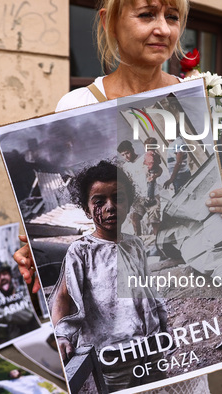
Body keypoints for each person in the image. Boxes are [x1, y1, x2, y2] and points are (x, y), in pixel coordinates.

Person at [14, 1, 222, 392]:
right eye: (147, 14)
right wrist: (28, 250)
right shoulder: (75, 106)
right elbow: (66, 295)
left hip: (166, 362)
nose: (164, 30)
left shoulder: (196, 100)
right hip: (111, 365)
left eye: (172, 17)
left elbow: (214, 188)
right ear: (110, 21)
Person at [50, 160, 168, 391]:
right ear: (86, 209)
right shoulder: (81, 251)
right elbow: (64, 297)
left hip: (150, 347)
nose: (110, 206)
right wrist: (61, 337)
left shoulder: (135, 244)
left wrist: (162, 327)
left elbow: (148, 288)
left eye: (118, 198)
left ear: (129, 203)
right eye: (99, 201)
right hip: (113, 354)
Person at [143, 137, 163, 206]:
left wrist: (148, 168)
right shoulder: (155, 153)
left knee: (150, 184)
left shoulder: (148, 154)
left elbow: (151, 161)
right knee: (152, 183)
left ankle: (150, 198)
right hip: (156, 169)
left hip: (151, 170)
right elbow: (159, 161)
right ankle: (152, 197)